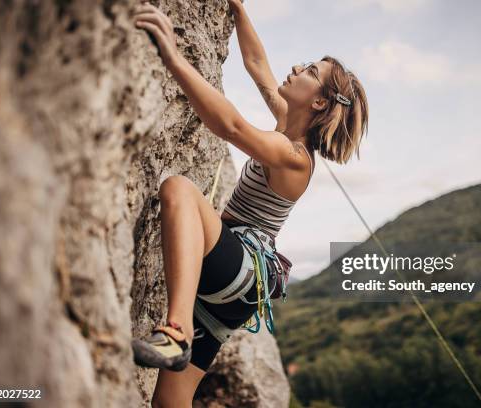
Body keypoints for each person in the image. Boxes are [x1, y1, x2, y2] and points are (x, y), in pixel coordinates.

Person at [131, 0, 369, 406]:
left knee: (179, 189)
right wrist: (238, 9)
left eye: (310, 72)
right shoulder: (284, 122)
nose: (296, 69)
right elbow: (258, 65)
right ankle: (181, 335)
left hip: (239, 266)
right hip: (235, 286)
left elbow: (232, 126)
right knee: (169, 401)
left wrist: (172, 55)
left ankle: (177, 330)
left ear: (319, 103)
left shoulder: (294, 156)